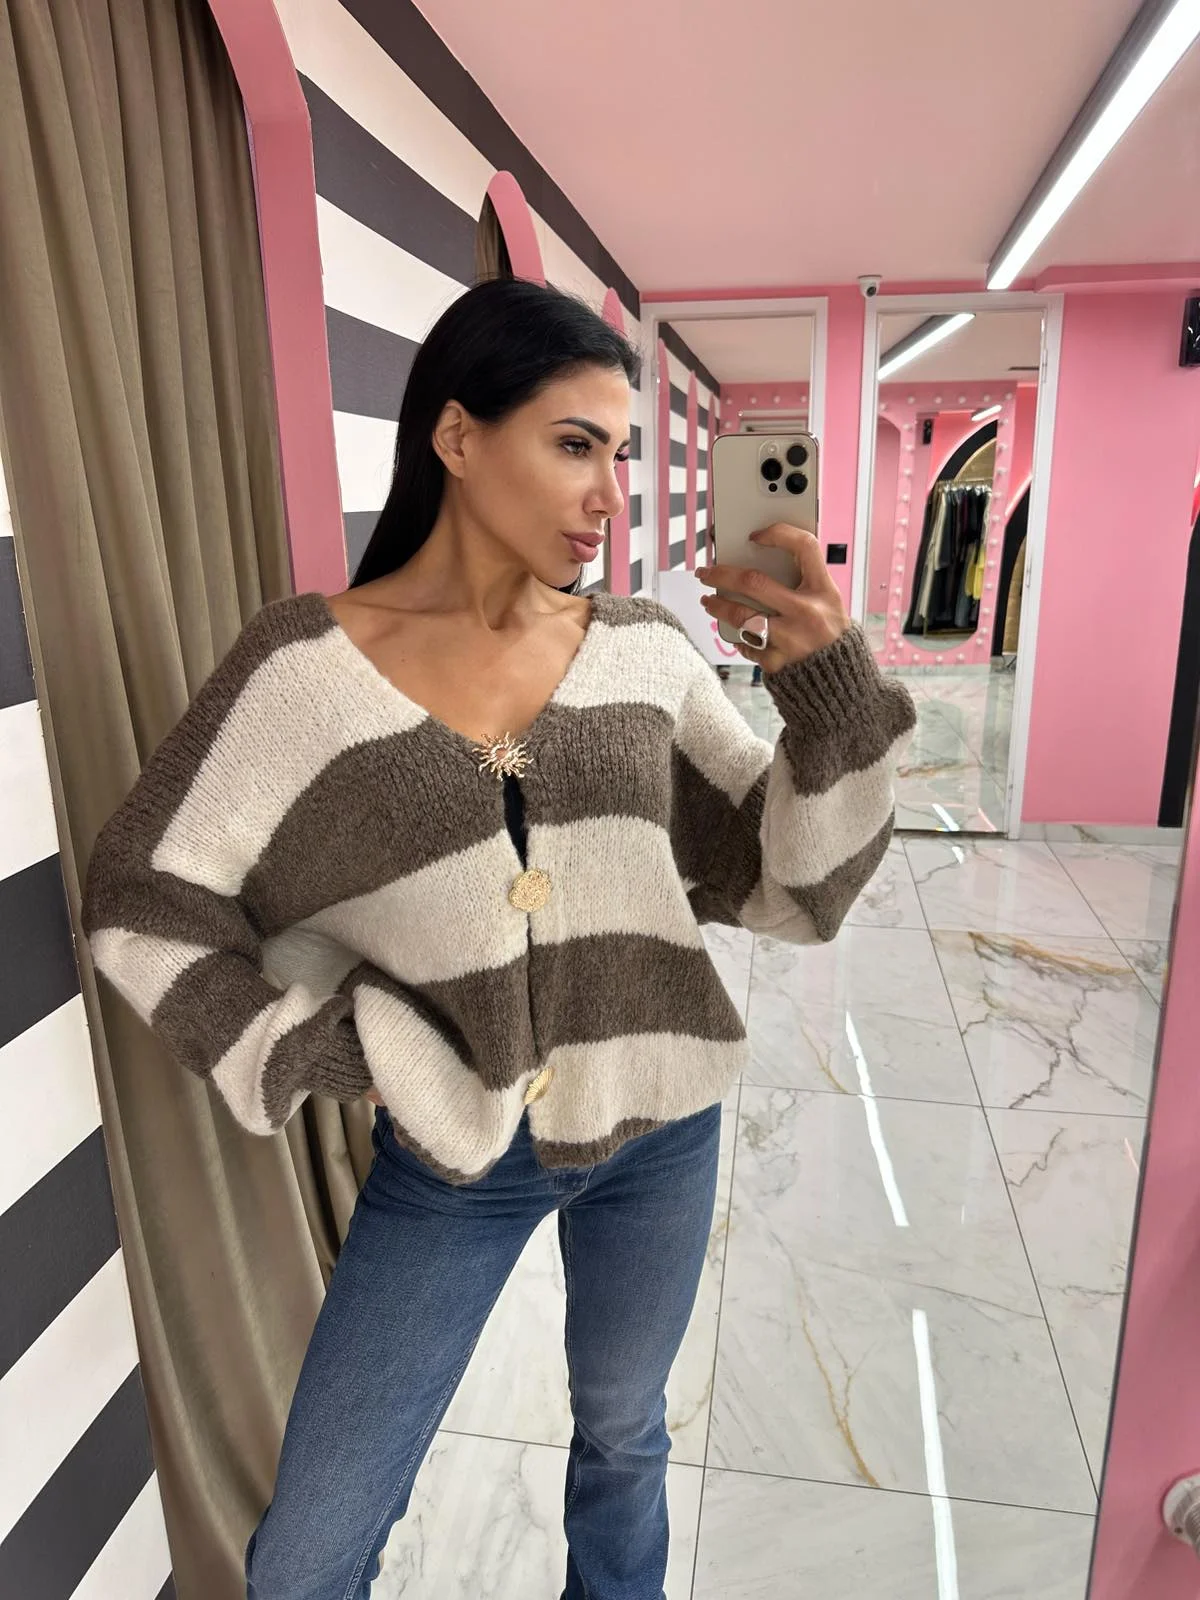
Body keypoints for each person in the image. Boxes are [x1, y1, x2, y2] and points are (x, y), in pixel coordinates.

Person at [82, 278, 915, 1600]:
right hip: (454, 1159)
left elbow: (785, 889)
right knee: (309, 1548)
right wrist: (321, 1051)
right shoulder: (302, 670)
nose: (609, 495)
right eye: (575, 445)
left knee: (625, 1440)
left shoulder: (643, 653)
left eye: (620, 455)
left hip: (662, 1126)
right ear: (458, 436)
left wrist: (826, 697)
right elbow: (144, 895)